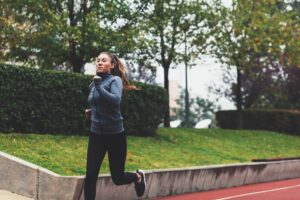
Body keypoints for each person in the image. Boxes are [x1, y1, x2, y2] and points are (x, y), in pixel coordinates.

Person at [84, 52, 146, 200]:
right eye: (97, 60)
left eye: (103, 60)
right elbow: (99, 104)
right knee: (91, 174)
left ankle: (137, 177)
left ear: (112, 65)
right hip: (96, 135)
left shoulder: (114, 80)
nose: (99, 63)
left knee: (117, 178)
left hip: (115, 136)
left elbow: (114, 101)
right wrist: (91, 114)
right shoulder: (92, 84)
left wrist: (99, 86)